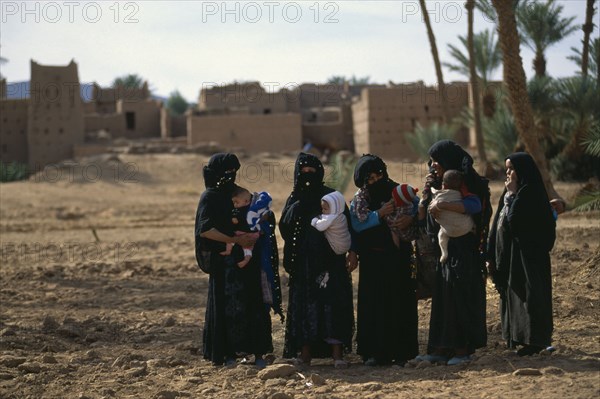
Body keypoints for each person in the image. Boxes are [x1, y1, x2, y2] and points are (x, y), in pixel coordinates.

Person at [194, 153, 276, 368]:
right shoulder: (210, 197)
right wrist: (234, 240)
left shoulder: (239, 193)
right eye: (226, 172)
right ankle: (228, 354)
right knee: (229, 308)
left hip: (249, 262)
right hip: (226, 266)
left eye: (233, 172)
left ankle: (257, 353)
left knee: (254, 306)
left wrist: (261, 224)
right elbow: (206, 230)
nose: (230, 177)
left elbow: (260, 214)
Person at [415, 140, 491, 366]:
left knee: (460, 300)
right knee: (443, 301)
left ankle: (461, 350)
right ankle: (439, 349)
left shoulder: (472, 185)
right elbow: (429, 224)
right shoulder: (437, 187)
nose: (433, 166)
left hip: (465, 252)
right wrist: (427, 196)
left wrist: (446, 207)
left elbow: (479, 211)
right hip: (445, 252)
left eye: (437, 161)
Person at [280, 153, 354, 369]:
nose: (307, 176)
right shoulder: (294, 199)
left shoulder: (330, 196)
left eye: (312, 171)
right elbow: (285, 227)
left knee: (333, 305)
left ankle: (337, 356)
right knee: (306, 307)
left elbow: (346, 224)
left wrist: (352, 252)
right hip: (304, 264)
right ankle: (304, 355)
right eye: (303, 172)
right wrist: (295, 211)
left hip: (332, 262)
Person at [348, 154, 419, 366]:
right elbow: (357, 226)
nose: (375, 181)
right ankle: (375, 352)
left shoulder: (399, 191)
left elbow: (417, 209)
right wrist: (379, 213)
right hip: (373, 260)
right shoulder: (361, 199)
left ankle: (403, 351)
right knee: (375, 306)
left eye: (378, 175)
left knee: (400, 302)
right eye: (369, 179)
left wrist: (410, 219)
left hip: (398, 258)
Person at [487, 152, 556, 356]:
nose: (507, 173)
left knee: (531, 295)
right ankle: (517, 337)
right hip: (512, 257)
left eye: (511, 169)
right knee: (514, 294)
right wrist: (491, 254)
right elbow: (497, 225)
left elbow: (515, 222)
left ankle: (535, 341)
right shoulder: (509, 193)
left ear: (522, 171)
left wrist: (514, 196)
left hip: (529, 257)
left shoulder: (530, 193)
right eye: (506, 168)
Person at [428, 170, 475, 263]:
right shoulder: (461, 196)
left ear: (443, 185)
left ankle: (444, 253)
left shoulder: (439, 197)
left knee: (441, 234)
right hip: (466, 229)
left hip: (448, 231)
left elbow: (433, 208)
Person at [353, 183, 420, 247]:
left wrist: (383, 213)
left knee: (394, 232)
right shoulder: (360, 197)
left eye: (379, 175)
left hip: (404, 234)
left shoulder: (403, 208)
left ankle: (397, 250)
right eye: (371, 178)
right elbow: (357, 225)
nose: (376, 179)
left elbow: (394, 221)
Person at [224, 186, 272, 268]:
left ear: (246, 201)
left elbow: (240, 218)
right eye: (234, 203)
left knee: (245, 246)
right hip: (246, 233)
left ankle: (244, 259)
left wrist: (233, 219)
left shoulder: (247, 210)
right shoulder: (248, 207)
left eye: (237, 202)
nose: (235, 205)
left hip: (250, 234)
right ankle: (229, 251)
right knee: (241, 246)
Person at [311, 191, 352, 255]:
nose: (322, 211)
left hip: (338, 246)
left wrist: (314, 220)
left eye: (325, 209)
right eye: (322, 208)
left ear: (334, 208)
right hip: (347, 243)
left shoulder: (331, 218)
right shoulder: (342, 215)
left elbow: (320, 226)